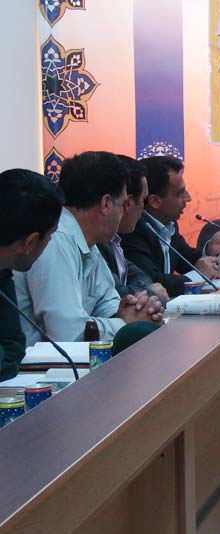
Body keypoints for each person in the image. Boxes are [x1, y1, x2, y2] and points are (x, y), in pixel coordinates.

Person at [14, 151, 164, 345]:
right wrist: (125, 323)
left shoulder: (88, 242)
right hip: (40, 363)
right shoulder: (56, 240)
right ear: (106, 204)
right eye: (122, 203)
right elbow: (68, 334)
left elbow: (107, 304)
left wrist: (137, 311)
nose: (123, 212)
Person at [121, 155, 220, 297]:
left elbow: (185, 261)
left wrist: (209, 250)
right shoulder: (131, 229)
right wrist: (198, 276)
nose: (188, 198)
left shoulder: (168, 223)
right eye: (180, 194)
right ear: (155, 201)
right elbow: (151, 281)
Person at [0, 169, 63, 380]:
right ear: (30, 242)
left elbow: (14, 348)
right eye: (51, 235)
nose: (51, 242)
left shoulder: (3, 270)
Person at [97, 155, 169, 302]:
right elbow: (116, 294)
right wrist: (150, 292)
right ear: (128, 202)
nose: (144, 209)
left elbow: (141, 276)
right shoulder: (97, 241)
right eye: (143, 200)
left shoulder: (113, 240)